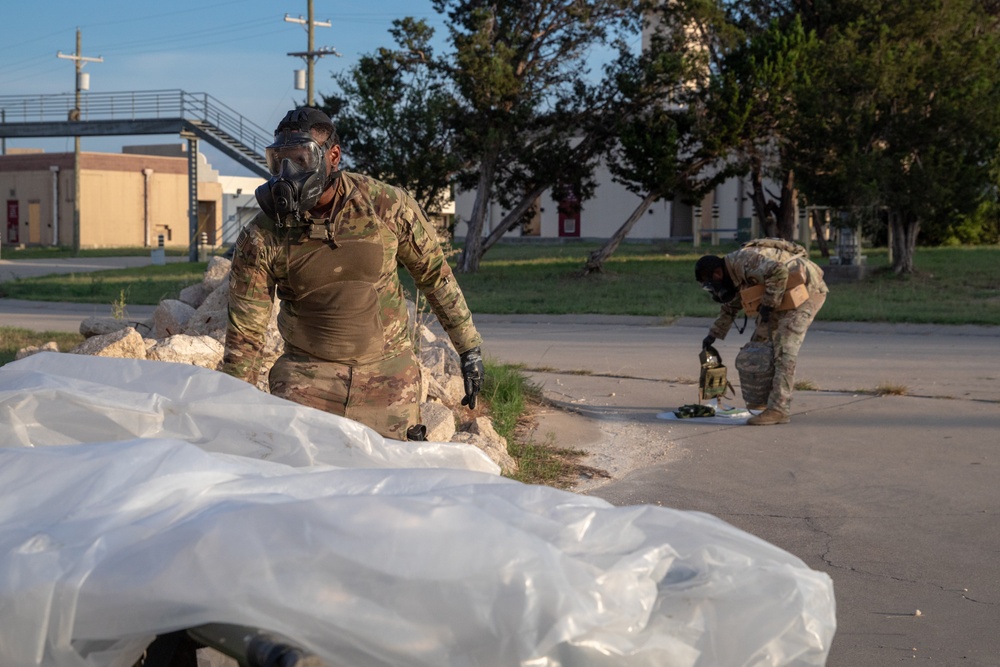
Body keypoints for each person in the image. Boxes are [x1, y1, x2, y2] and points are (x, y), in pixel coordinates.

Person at [222, 107, 484, 441]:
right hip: (306, 384)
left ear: (332, 156)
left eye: (301, 159)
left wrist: (469, 349)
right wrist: (230, 408)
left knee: (392, 485)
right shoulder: (263, 234)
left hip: (389, 382)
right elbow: (245, 335)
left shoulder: (385, 206)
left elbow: (435, 276)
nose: (286, 173)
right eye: (279, 161)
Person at [694, 238, 829, 425]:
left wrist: (768, 304)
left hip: (807, 291)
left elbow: (779, 271)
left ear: (717, 273)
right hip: (783, 292)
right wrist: (713, 335)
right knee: (759, 344)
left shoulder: (743, 261)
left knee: (784, 349)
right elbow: (731, 306)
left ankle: (779, 409)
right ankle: (763, 401)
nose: (712, 290)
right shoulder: (734, 273)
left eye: (710, 284)